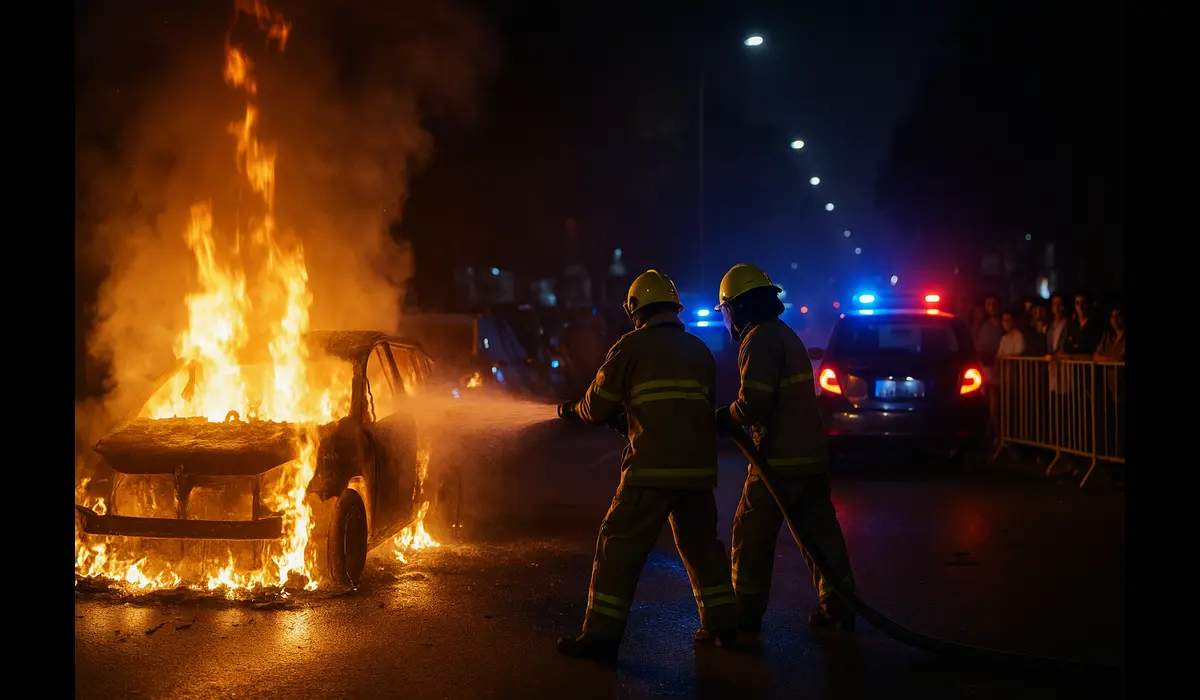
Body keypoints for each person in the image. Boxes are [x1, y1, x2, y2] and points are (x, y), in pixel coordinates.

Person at [554, 269, 737, 663]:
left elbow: (596, 405)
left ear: (635, 309)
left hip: (651, 470)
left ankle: (601, 637)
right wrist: (633, 415)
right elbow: (684, 406)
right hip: (697, 472)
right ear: (674, 307)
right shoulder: (699, 350)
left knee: (617, 545)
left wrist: (574, 410)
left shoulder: (630, 347)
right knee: (703, 548)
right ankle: (724, 626)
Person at [712, 263, 857, 637]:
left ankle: (744, 615)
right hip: (809, 456)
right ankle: (840, 606)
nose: (725, 319)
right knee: (819, 534)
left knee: (751, 533)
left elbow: (754, 404)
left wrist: (723, 417)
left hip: (778, 460)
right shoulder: (784, 334)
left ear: (738, 308)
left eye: (725, 310)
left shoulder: (757, 340)